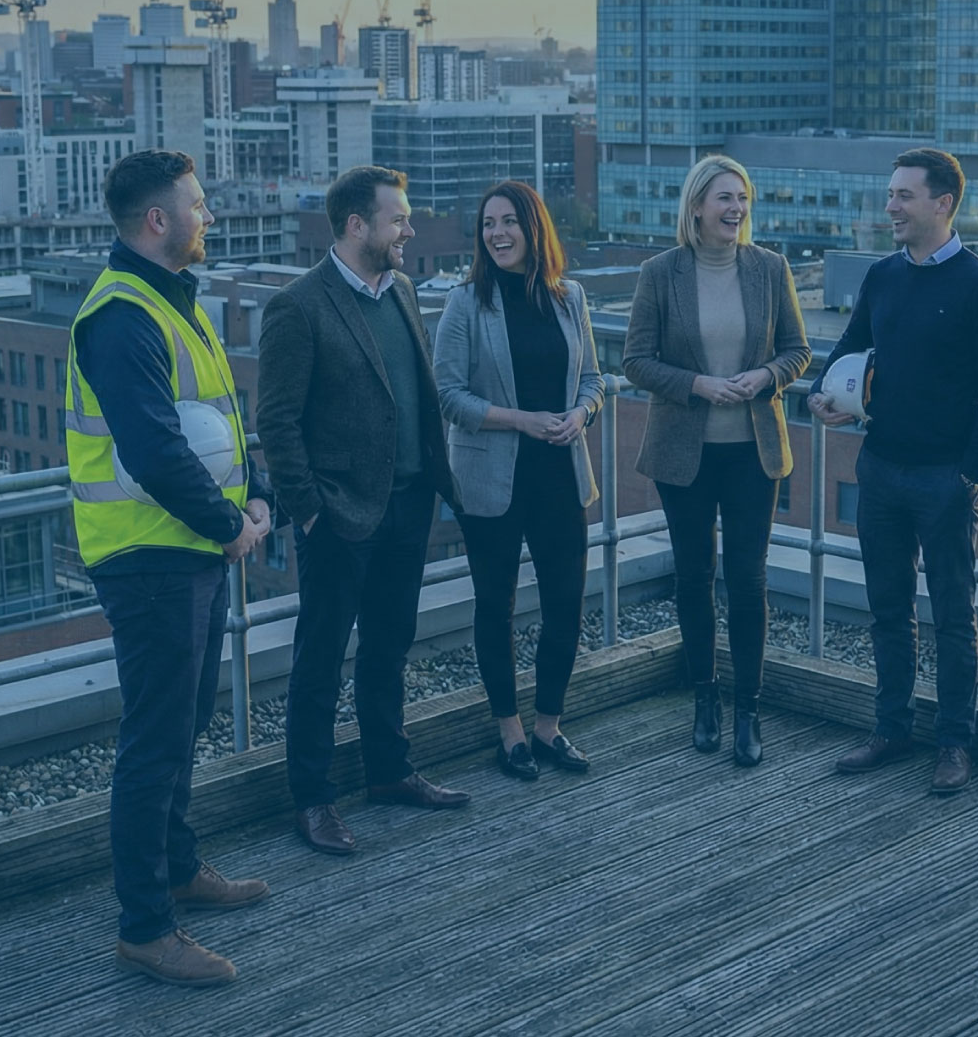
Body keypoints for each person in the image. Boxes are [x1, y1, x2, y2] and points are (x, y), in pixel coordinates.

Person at [67, 149, 272, 987]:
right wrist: (229, 523)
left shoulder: (169, 301)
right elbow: (152, 447)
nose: (208, 217)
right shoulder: (121, 315)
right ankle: (147, 928)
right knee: (154, 746)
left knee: (183, 730)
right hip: (149, 557)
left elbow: (220, 420)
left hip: (187, 550)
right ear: (158, 220)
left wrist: (253, 500)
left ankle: (181, 867)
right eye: (197, 205)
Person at [256, 165, 469, 858]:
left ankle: (388, 771)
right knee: (320, 660)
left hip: (408, 505)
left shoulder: (402, 289)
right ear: (356, 225)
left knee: (388, 647)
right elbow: (277, 422)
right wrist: (309, 511)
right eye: (398, 218)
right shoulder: (299, 306)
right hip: (340, 517)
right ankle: (312, 799)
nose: (409, 228)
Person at [809, 147, 978, 794]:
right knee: (887, 609)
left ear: (943, 203)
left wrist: (969, 474)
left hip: (942, 480)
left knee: (954, 616)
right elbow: (850, 347)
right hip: (882, 469)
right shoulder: (882, 275)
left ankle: (955, 743)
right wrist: (826, 392)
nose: (891, 205)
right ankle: (891, 727)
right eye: (891, 193)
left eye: (904, 195)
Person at [623, 155, 811, 765]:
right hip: (686, 454)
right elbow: (635, 361)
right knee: (694, 578)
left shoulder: (770, 268)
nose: (737, 210)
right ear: (697, 206)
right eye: (725, 199)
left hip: (753, 452)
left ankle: (747, 709)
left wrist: (764, 376)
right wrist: (696, 385)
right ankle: (705, 698)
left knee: (749, 580)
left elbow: (798, 350)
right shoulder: (660, 272)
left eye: (744, 199)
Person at [434, 180, 605, 780]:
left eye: (509, 221)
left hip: (561, 474)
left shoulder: (570, 297)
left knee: (565, 605)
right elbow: (447, 394)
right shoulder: (466, 302)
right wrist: (522, 421)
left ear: (534, 228)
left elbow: (593, 380)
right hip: (491, 482)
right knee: (495, 609)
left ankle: (548, 727)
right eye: (488, 224)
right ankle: (508, 734)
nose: (497, 233)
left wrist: (580, 414)